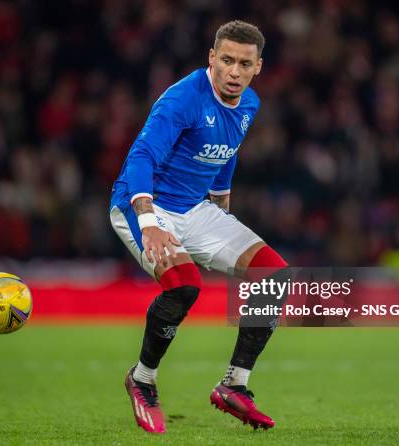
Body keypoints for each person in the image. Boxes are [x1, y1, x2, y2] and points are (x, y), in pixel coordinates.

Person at [109, 20, 288, 434]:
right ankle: (143, 378)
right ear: (211, 58)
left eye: (244, 64)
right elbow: (141, 157)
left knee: (273, 276)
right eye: (226, 60)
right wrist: (149, 221)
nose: (234, 72)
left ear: (258, 66)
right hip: (143, 205)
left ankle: (235, 386)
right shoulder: (182, 100)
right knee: (185, 286)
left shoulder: (249, 104)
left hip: (195, 207)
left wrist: (222, 201)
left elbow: (227, 151)